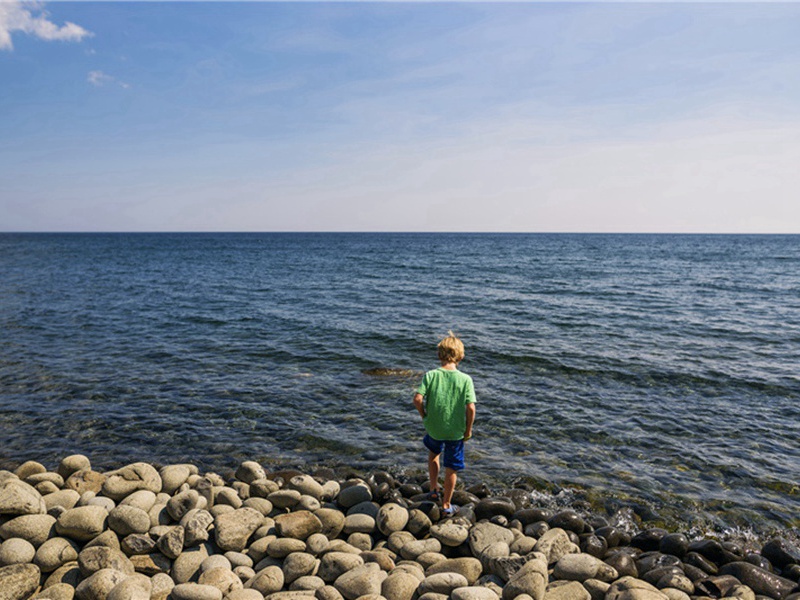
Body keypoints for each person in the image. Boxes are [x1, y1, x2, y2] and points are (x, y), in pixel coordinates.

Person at [413, 331, 476, 517]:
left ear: (439, 354)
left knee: (434, 454)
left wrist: (424, 415)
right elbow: (471, 408)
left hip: (433, 427)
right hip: (456, 431)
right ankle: (446, 504)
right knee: (452, 467)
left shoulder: (430, 375)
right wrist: (468, 430)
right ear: (461, 356)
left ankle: (433, 488)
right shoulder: (466, 379)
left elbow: (417, 399)